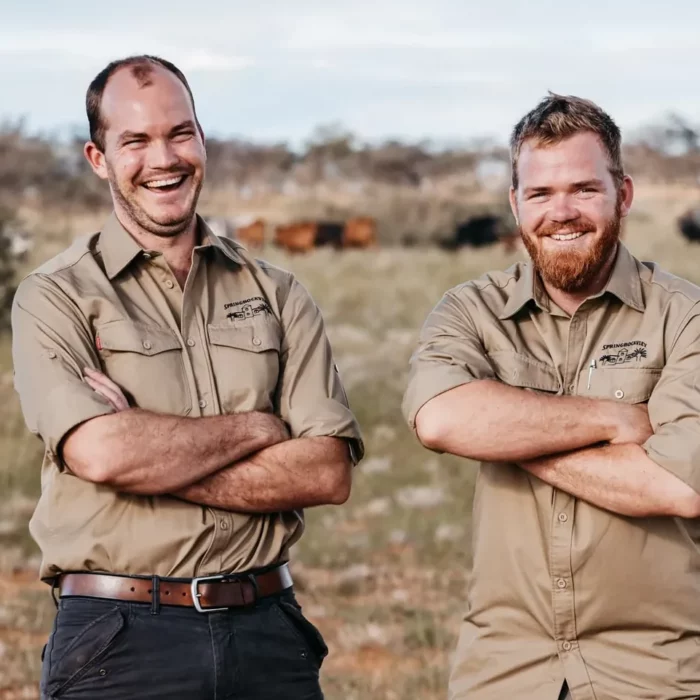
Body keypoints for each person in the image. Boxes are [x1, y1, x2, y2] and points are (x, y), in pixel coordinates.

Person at [11, 54, 363, 700]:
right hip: (119, 641)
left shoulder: (279, 294)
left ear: (202, 139)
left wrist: (152, 455)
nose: (164, 159)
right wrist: (262, 426)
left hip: (268, 630)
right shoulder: (54, 298)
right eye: (135, 141)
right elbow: (102, 451)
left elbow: (325, 472)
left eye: (179, 133)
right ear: (99, 158)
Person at [403, 94, 700, 700]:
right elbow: (440, 419)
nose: (561, 213)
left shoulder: (686, 318)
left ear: (624, 194)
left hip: (655, 673)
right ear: (515, 203)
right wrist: (614, 420)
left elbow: (679, 485)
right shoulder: (470, 310)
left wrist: (504, 435)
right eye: (539, 194)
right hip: (504, 674)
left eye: (584, 190)